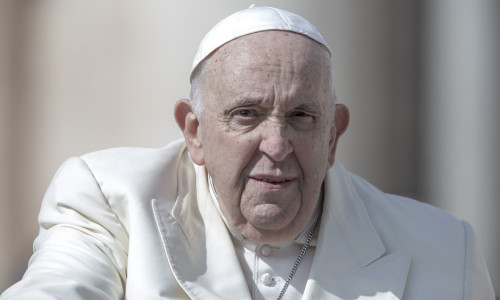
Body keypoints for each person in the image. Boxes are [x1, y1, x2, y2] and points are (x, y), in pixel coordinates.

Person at [1, 5, 494, 300]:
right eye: (246, 115)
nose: (276, 146)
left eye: (303, 117)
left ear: (333, 137)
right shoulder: (111, 200)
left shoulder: (446, 252)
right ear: (194, 132)